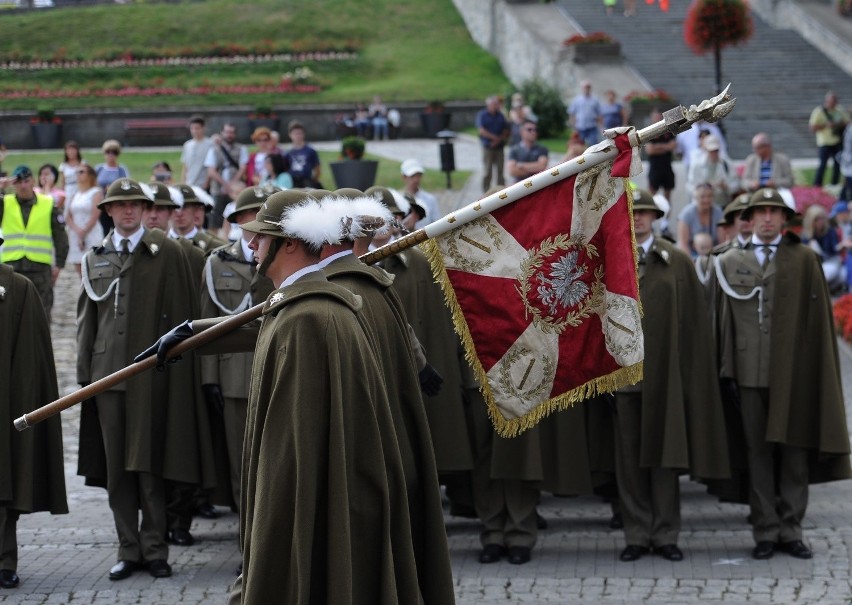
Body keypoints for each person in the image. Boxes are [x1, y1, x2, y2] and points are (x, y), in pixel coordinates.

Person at [76, 178, 215, 580]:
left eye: (136, 204)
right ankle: (128, 548)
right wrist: (85, 378)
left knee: (150, 465)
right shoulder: (95, 257)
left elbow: (183, 317)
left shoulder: (167, 252)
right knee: (117, 469)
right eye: (120, 205)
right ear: (107, 211)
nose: (129, 211)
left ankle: (156, 547)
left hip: (150, 375)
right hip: (107, 380)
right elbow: (88, 324)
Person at [713, 187, 852, 561]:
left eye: (776, 212)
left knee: (793, 451)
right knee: (757, 452)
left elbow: (818, 323)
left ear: (786, 218)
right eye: (762, 211)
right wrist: (726, 371)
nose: (769, 218)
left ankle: (791, 529)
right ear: (750, 217)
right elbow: (723, 323)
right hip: (747, 373)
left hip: (792, 373)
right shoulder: (728, 260)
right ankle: (765, 530)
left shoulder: (804, 259)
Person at [615, 190, 730, 563]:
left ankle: (665, 533)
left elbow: (694, 324)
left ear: (657, 217)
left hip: (666, 377)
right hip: (623, 380)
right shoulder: (609, 257)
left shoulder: (677, 261)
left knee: (665, 457)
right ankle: (636, 533)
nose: (639, 219)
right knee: (629, 461)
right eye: (633, 212)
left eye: (646, 213)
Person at [199, 186, 276, 512]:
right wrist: (210, 378)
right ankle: (248, 548)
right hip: (233, 377)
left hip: (276, 369)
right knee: (241, 465)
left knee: (275, 463)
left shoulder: (282, 258)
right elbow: (207, 322)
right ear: (238, 220)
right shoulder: (217, 262)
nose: (257, 222)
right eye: (251, 216)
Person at [0, 232, 68, 590]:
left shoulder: (19, 288)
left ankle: (4, 559)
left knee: (4, 484)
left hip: (6, 401)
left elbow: (31, 355)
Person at [0, 165, 69, 319]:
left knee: (41, 315)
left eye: (26, 181)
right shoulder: (5, 202)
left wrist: (59, 264)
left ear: (33, 182)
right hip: (11, 268)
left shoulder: (47, 204)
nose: (23, 186)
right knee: (10, 316)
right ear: (13, 184)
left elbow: (60, 236)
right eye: (19, 182)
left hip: (40, 270)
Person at [205, 122, 249, 231]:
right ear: (222, 133)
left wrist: (232, 185)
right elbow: (211, 171)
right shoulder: (214, 149)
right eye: (227, 132)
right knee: (214, 219)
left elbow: (243, 168)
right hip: (218, 189)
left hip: (236, 190)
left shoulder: (241, 148)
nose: (229, 135)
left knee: (237, 216)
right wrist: (225, 185)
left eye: (232, 132)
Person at [64, 163, 104, 275]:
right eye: (77, 172)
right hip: (75, 233)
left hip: (91, 232)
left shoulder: (96, 192)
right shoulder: (75, 193)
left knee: (92, 265)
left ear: (90, 175)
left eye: (81, 172)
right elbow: (68, 215)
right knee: (78, 266)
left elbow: (95, 214)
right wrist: (77, 231)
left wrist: (83, 232)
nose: (78, 175)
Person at [801, 204, 845, 291]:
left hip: (830, 261)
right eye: (817, 219)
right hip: (814, 264)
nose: (820, 221)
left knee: (838, 275)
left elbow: (832, 251)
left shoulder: (830, 231)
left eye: (822, 218)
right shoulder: (806, 235)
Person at [809, 91, 849, 186]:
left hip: (837, 141)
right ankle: (817, 185)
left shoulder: (839, 110)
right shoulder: (819, 111)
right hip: (824, 142)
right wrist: (825, 125)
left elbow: (847, 122)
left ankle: (834, 184)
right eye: (832, 102)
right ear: (827, 101)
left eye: (835, 102)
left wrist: (838, 124)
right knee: (823, 165)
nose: (834, 104)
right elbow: (812, 127)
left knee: (838, 164)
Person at [686, 134, 738, 207]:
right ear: (705, 149)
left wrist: (726, 187)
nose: (713, 153)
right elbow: (690, 186)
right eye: (711, 151)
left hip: (721, 204)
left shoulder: (726, 164)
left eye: (716, 151)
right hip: (701, 206)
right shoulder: (697, 165)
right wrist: (704, 189)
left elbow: (735, 184)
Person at [677, 183, 724, 256]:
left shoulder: (718, 212)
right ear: (696, 198)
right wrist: (691, 263)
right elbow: (683, 243)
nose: (706, 200)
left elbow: (722, 241)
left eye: (709, 196)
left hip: (713, 251)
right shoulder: (687, 214)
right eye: (702, 197)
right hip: (691, 252)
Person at [476, 95, 510, 192]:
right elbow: (481, 131)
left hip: (499, 147)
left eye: (496, 104)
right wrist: (494, 138)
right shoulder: (482, 115)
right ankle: (486, 191)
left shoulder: (500, 115)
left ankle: (502, 190)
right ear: (489, 105)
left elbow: (506, 129)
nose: (496, 106)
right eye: (494, 104)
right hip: (488, 147)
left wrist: (498, 140)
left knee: (500, 170)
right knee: (487, 170)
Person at [94, 139, 129, 233]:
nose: (110, 155)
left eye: (114, 152)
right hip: (102, 204)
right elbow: (93, 184)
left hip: (116, 204)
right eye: (108, 152)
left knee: (118, 230)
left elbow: (127, 185)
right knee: (103, 231)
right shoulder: (99, 169)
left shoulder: (122, 169)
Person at [644, 109, 677, 201]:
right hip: (655, 168)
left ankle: (666, 215)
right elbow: (650, 150)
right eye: (655, 117)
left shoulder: (668, 131)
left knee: (667, 196)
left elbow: (672, 146)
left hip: (667, 167)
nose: (657, 119)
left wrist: (658, 146)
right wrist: (665, 147)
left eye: (659, 117)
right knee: (651, 195)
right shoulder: (649, 132)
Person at [399, 158, 440, 228]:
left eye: (418, 175)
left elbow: (437, 224)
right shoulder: (398, 199)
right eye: (412, 176)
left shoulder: (430, 199)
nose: (416, 179)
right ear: (404, 177)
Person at [507, 119, 549, 184]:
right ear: (521, 132)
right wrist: (535, 170)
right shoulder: (514, 150)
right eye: (529, 130)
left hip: (538, 185)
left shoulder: (542, 149)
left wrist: (521, 165)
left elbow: (542, 166)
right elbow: (512, 171)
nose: (533, 132)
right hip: (519, 187)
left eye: (535, 130)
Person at [285, 120, 322, 189]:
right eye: (295, 133)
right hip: (293, 182)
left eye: (300, 133)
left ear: (304, 134)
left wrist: (314, 180)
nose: (298, 136)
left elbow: (317, 168)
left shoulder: (310, 151)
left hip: (306, 181)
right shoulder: (288, 153)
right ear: (290, 135)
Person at [180, 114, 213, 189]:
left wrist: (207, 183)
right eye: (192, 128)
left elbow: (211, 166)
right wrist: (183, 183)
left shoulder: (210, 144)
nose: (195, 131)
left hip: (203, 185)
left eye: (197, 128)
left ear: (203, 128)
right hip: (189, 184)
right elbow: (185, 166)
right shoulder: (187, 145)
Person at [567, 80, 602, 145]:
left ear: (590, 88)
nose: (587, 89)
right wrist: (573, 126)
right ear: (582, 88)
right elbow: (572, 114)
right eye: (585, 87)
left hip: (592, 126)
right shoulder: (577, 100)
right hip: (580, 127)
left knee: (593, 145)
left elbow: (600, 114)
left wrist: (600, 126)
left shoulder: (595, 100)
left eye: (588, 87)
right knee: (579, 145)